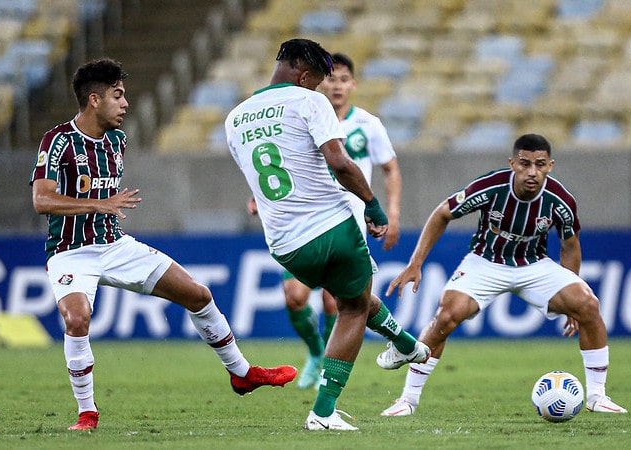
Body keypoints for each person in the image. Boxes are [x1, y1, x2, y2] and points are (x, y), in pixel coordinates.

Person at [30, 58, 297, 431]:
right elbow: (42, 201)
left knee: (199, 295)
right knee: (77, 319)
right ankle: (87, 413)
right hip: (71, 252)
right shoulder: (58, 141)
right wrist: (98, 204)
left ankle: (242, 374)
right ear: (94, 100)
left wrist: (104, 211)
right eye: (117, 96)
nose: (125, 104)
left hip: (115, 246)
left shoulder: (116, 141)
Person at [225, 39, 429, 431]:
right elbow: (340, 162)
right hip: (331, 226)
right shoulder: (308, 101)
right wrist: (371, 203)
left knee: (350, 295)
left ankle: (405, 344)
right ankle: (322, 411)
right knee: (351, 308)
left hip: (284, 244)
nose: (321, 88)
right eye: (318, 81)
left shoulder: (235, 118)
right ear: (304, 76)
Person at [380, 134, 627, 417]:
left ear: (550, 166)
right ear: (512, 163)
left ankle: (597, 396)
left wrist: (572, 296)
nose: (531, 172)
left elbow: (570, 245)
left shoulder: (560, 201)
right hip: (485, 262)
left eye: (540, 164)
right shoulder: (491, 187)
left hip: (534, 265)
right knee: (447, 316)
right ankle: (407, 400)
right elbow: (442, 213)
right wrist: (416, 262)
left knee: (588, 305)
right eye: (524, 164)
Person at [246, 52, 403, 390]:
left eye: (344, 80)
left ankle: (325, 370)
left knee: (336, 300)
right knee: (294, 297)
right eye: (331, 79)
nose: (337, 86)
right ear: (320, 82)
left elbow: (389, 167)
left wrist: (392, 212)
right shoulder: (301, 114)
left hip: (347, 221)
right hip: (304, 220)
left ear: (353, 85)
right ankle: (317, 353)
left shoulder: (367, 125)